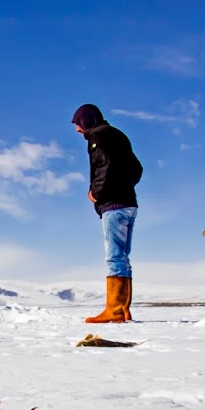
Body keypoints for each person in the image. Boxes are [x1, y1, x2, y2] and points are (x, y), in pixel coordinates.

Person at [72, 103, 142, 323]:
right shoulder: (119, 136)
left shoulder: (98, 136)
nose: (77, 130)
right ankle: (122, 310)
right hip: (129, 204)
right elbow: (137, 169)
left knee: (114, 256)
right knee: (122, 256)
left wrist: (96, 192)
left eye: (78, 124)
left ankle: (115, 310)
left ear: (87, 120)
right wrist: (124, 186)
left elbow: (106, 165)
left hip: (114, 205)